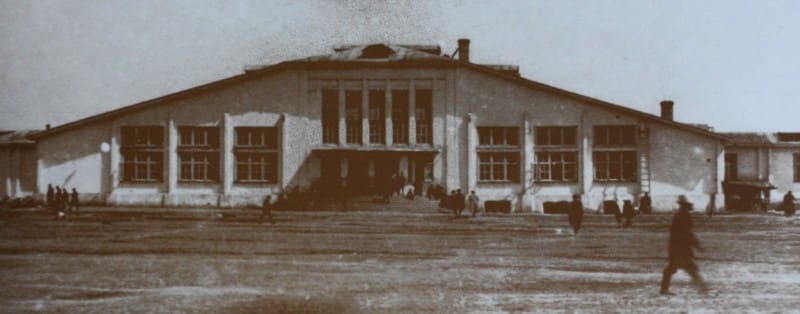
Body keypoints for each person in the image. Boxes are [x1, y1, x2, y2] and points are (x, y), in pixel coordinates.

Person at [660, 195, 708, 295]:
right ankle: (703, 289)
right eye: (689, 205)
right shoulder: (684, 216)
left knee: (674, 269)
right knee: (689, 268)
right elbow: (687, 233)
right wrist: (698, 245)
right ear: (685, 206)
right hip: (681, 248)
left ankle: (664, 289)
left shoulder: (680, 216)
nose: (691, 207)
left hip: (676, 247)